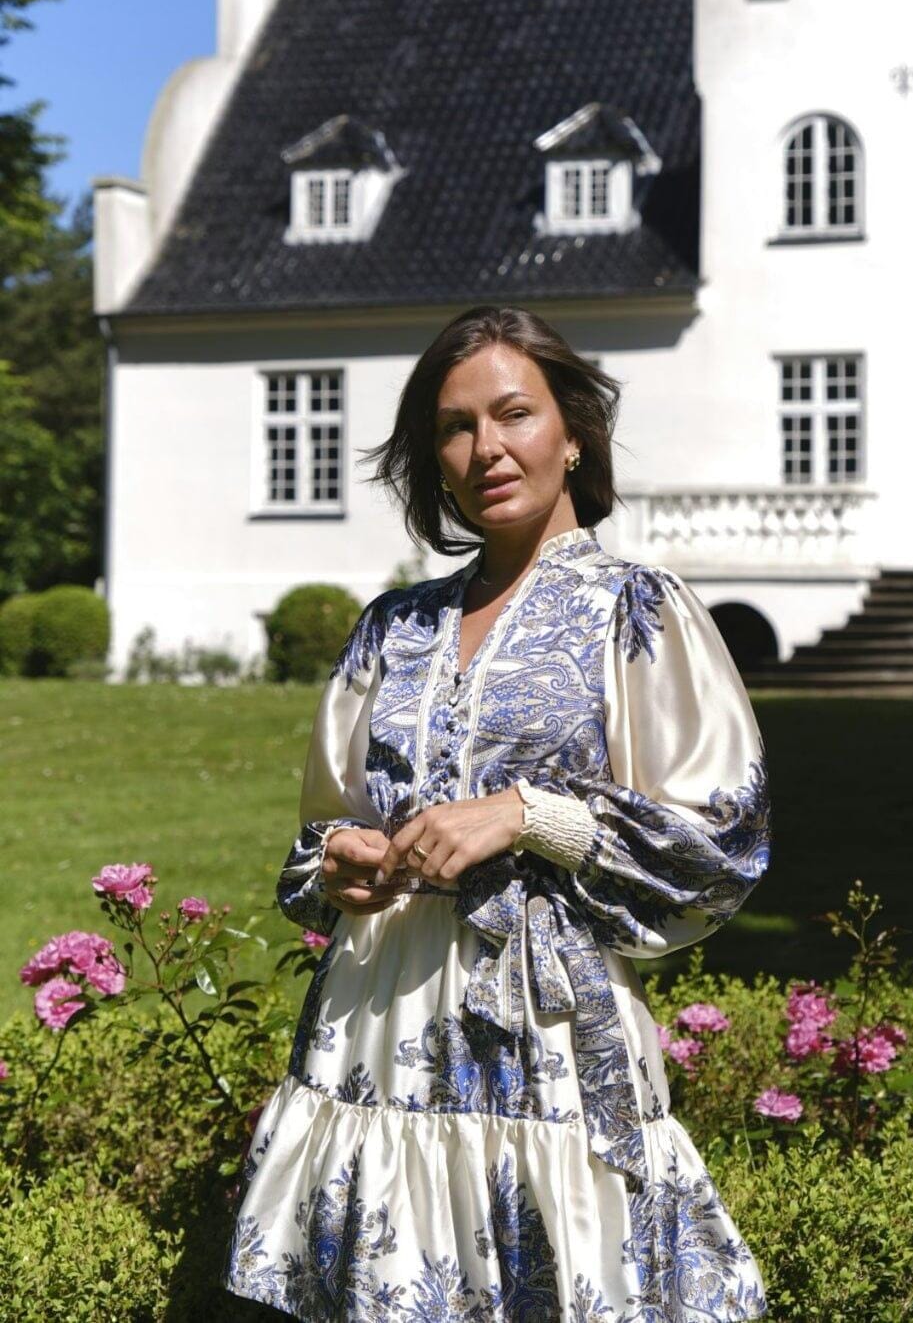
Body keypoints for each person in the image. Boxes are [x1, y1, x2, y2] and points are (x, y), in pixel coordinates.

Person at [223, 304, 770, 1321]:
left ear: (573, 433)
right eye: (455, 426)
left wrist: (526, 815)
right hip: (375, 1029)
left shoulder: (635, 607)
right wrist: (341, 858)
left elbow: (718, 840)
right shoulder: (393, 627)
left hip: (545, 1035)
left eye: (514, 413)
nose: (486, 448)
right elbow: (319, 832)